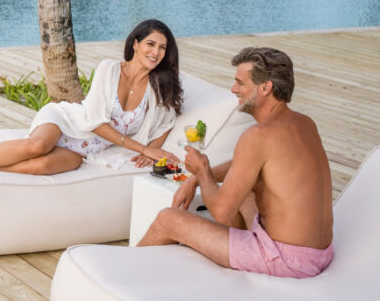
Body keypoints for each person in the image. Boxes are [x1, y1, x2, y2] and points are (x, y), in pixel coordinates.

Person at [0, 19, 183, 189]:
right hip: (68, 122)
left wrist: (152, 149)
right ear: (135, 44)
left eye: (162, 47)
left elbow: (166, 121)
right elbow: (94, 122)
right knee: (37, 146)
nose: (156, 52)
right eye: (150, 44)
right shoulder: (109, 69)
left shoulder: (158, 87)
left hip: (89, 149)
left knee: (41, 167)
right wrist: (143, 149)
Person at [139, 46, 334, 278]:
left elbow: (221, 211)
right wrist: (195, 180)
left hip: (285, 259)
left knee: (168, 219)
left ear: (265, 87)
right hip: (318, 253)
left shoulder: (257, 136)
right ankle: (228, 249)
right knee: (248, 190)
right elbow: (244, 167)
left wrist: (202, 172)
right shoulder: (304, 123)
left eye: (241, 83)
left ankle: (120, 278)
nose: (234, 89)